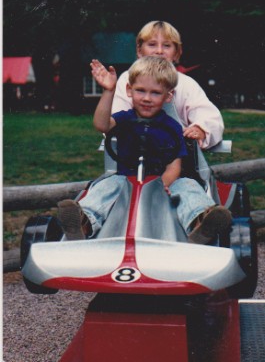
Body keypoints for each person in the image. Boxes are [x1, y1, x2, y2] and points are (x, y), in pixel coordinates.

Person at [58, 56, 231, 244]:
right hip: (125, 181)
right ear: (129, 91)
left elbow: (174, 167)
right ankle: (83, 221)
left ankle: (200, 222)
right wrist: (108, 91)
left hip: (163, 183)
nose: (147, 98)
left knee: (187, 186)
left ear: (168, 96)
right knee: (107, 185)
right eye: (140, 91)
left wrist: (160, 186)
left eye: (155, 93)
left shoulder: (172, 126)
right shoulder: (124, 118)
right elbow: (101, 124)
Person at [112, 20, 224, 149]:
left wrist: (200, 129)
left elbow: (209, 116)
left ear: (177, 53)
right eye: (152, 44)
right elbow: (116, 118)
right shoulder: (127, 79)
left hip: (177, 154)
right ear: (139, 50)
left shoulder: (186, 84)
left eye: (166, 45)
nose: (159, 51)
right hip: (135, 150)